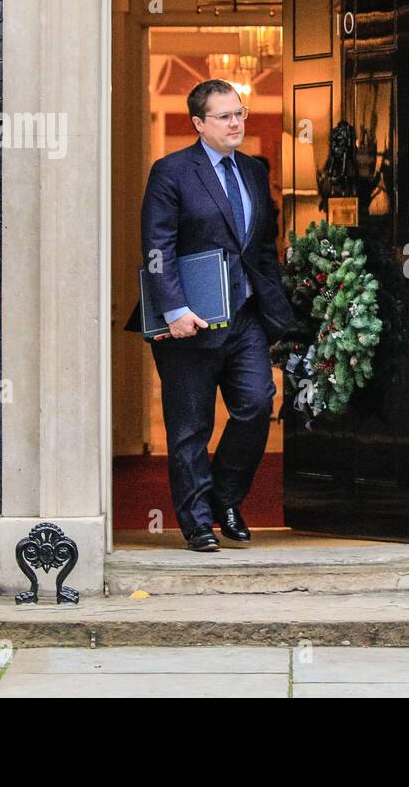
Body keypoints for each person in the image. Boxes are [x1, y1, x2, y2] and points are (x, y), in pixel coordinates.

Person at [124, 79, 296, 552]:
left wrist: (274, 314)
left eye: (239, 113)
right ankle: (197, 522)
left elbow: (261, 248)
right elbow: (158, 246)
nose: (236, 122)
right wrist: (174, 310)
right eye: (225, 116)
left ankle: (226, 499)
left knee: (258, 404)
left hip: (243, 319)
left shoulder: (255, 173)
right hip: (188, 323)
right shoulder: (172, 172)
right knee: (189, 427)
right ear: (199, 124)